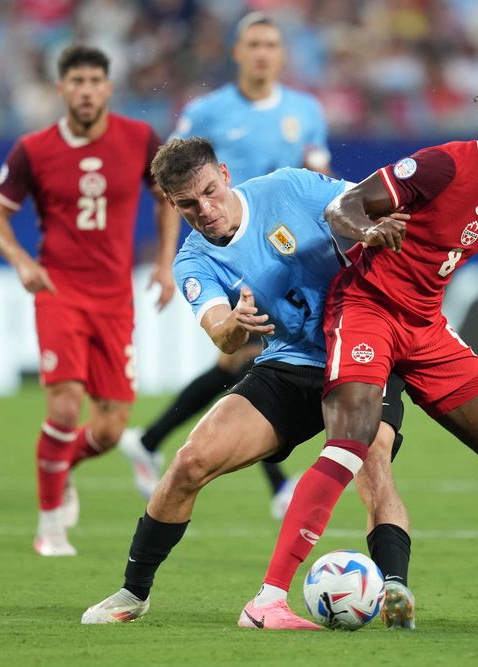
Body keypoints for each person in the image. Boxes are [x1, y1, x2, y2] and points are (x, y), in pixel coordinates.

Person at [234, 78, 478, 630]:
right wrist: (368, 231)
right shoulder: (442, 165)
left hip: (424, 327)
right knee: (349, 443)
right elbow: (343, 207)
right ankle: (267, 601)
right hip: (367, 311)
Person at [81, 137, 415, 629]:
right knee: (190, 462)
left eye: (210, 192)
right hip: (290, 361)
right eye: (188, 204)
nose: (205, 210)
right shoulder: (193, 260)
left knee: (372, 461)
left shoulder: (289, 187)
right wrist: (236, 324)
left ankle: (394, 590)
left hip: (364, 348)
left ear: (224, 173)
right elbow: (220, 332)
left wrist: (377, 232)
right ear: (171, 203)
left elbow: (366, 201)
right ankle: (134, 592)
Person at [118, 12, 330, 517]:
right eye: (253, 44)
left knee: (241, 363)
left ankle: (150, 439)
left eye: (270, 44)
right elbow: (169, 181)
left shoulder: (306, 110)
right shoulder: (206, 111)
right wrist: (167, 261)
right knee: (248, 356)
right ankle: (278, 483)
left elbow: (320, 175)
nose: (262, 53)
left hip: (283, 243)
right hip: (230, 252)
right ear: (237, 52)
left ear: (281, 53)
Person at [0, 45, 179, 558]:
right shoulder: (32, 149)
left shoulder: (139, 139)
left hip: (115, 299)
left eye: (95, 81)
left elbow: (167, 200)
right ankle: (50, 527)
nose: (86, 90)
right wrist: (22, 262)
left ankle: (60, 466)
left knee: (111, 429)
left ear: (108, 88)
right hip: (60, 292)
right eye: (77, 81)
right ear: (61, 89)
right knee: (66, 407)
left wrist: (165, 264)